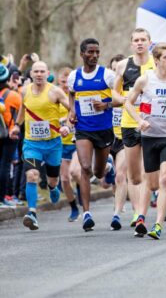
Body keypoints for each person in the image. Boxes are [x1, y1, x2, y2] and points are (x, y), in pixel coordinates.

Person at [124, 43, 166, 239]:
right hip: (149, 137)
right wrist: (139, 120)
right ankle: (141, 218)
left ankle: (158, 225)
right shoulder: (145, 80)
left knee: (164, 179)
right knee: (150, 182)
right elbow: (128, 102)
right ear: (156, 60)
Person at [9, 61, 71, 230]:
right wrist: (16, 125)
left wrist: (67, 125)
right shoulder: (24, 91)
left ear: (47, 73)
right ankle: (32, 213)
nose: (38, 74)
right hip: (32, 143)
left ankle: (52, 187)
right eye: (36, 71)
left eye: (42, 71)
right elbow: (23, 110)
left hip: (53, 144)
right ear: (31, 74)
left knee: (52, 180)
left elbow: (72, 109)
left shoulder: (55, 91)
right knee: (32, 175)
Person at [67, 38, 119, 231]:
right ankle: (87, 213)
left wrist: (107, 104)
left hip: (104, 129)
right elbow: (72, 94)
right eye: (90, 52)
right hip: (83, 129)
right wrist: (72, 110)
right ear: (82, 54)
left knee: (98, 172)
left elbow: (123, 98)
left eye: (97, 52)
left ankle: (107, 167)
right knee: (85, 167)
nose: (94, 56)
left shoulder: (108, 75)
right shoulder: (74, 76)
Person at [113, 28, 155, 232]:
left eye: (143, 40)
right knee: (134, 174)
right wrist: (122, 99)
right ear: (131, 44)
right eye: (136, 40)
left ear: (149, 42)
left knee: (147, 170)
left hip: (151, 122)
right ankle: (137, 210)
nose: (140, 43)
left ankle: (140, 215)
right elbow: (113, 90)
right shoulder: (123, 65)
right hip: (129, 123)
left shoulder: (156, 63)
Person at [56, 67, 81, 221]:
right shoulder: (55, 96)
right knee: (64, 179)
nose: (65, 85)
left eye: (68, 82)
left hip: (77, 141)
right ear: (59, 81)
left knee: (76, 172)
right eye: (63, 82)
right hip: (61, 144)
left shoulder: (77, 96)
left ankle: (82, 192)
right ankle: (73, 208)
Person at [109, 54, 130, 230]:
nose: (117, 72)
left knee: (121, 175)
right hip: (107, 137)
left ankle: (117, 213)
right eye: (114, 69)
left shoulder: (133, 87)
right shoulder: (105, 87)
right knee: (101, 173)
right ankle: (107, 170)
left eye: (120, 69)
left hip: (124, 137)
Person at [0, 64, 22, 208]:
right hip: (10, 134)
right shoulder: (14, 96)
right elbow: (21, 114)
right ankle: (2, 198)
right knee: (5, 166)